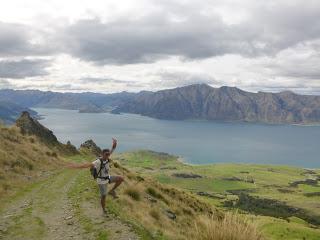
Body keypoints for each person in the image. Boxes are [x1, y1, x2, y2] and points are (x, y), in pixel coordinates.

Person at [68, 138, 124, 214]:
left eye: (108, 154)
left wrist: (114, 145)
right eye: (106, 154)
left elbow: (112, 150)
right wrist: (75, 166)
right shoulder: (98, 161)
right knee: (103, 196)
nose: (108, 155)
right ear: (102, 154)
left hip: (108, 178)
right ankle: (104, 210)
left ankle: (112, 191)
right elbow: (86, 165)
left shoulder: (107, 158)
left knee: (121, 178)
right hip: (101, 181)